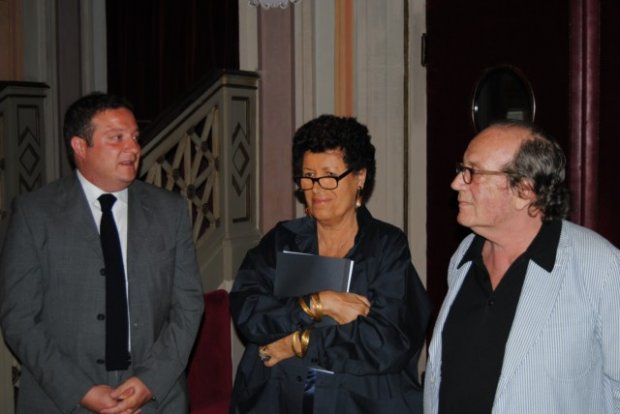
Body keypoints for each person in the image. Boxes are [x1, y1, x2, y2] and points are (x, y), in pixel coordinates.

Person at [0, 92, 204, 413]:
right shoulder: (34, 214)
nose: (133, 148)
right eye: (117, 138)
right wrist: (79, 391)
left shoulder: (170, 210)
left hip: (155, 399)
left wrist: (150, 381)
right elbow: (19, 319)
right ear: (80, 147)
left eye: (135, 137)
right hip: (62, 399)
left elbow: (189, 306)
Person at [229, 114, 431, 413]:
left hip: (357, 402)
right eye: (308, 176)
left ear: (359, 177)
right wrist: (319, 303)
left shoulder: (386, 246)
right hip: (278, 397)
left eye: (329, 176)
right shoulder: (282, 240)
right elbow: (249, 312)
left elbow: (386, 341)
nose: (316, 188)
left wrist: (298, 343)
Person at [424, 120, 620, 414]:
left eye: (472, 173)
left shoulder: (599, 267)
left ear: (525, 190)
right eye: (461, 169)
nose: (456, 183)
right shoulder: (464, 255)